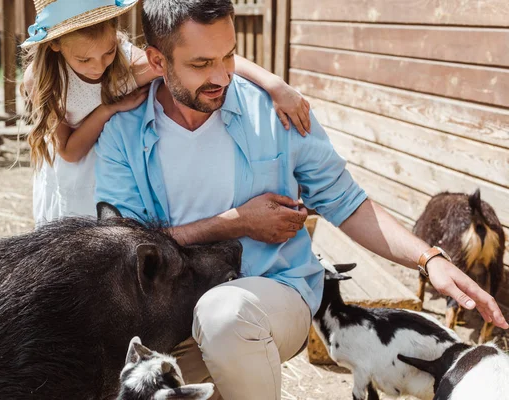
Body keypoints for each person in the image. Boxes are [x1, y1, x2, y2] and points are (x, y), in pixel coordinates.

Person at [95, 1, 509, 399]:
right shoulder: (121, 136)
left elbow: (346, 201)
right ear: (157, 61)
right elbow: (127, 252)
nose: (222, 76)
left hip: (273, 292)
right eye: (201, 64)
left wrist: (428, 260)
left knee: (222, 316)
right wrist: (235, 223)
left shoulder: (274, 113)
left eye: (229, 56)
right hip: (170, 316)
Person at [20, 0, 311, 227]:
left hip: (119, 163)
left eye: (107, 53)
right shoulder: (44, 79)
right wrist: (108, 109)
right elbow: (69, 151)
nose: (98, 66)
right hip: (76, 174)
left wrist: (274, 85)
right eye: (84, 59)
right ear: (55, 44)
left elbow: (211, 58)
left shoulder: (128, 62)